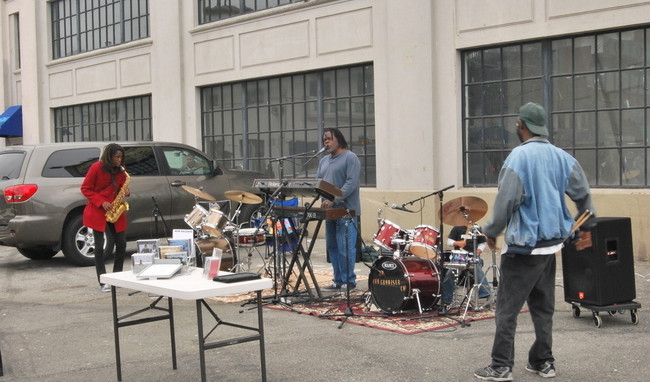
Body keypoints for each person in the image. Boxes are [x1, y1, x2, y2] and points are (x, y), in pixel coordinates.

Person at [474, 102, 595, 381]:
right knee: (543, 308)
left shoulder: (518, 158)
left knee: (507, 309)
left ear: (522, 125)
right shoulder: (563, 157)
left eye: (518, 124)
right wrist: (586, 226)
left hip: (524, 247)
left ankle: (501, 366)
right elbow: (583, 194)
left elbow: (506, 202)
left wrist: (490, 230)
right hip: (552, 245)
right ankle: (543, 361)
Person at [316, 128, 361, 292]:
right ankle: (338, 280)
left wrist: (334, 199)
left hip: (346, 211)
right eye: (324, 140)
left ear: (339, 139)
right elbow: (318, 181)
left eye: (329, 138)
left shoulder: (351, 158)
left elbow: (351, 183)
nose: (326, 142)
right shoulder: (323, 161)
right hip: (329, 211)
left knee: (345, 247)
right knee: (333, 247)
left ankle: (349, 281)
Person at [81, 143, 130, 292]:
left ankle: (117, 277)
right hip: (98, 211)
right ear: (109, 156)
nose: (119, 160)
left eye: (121, 157)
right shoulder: (97, 167)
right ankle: (102, 281)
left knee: (121, 244)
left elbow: (123, 188)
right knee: (99, 247)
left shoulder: (121, 171)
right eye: (116, 157)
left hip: (115, 210)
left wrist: (126, 191)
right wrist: (101, 202)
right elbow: (85, 188)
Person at [440, 224, 491, 311]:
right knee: (450, 273)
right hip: (458, 257)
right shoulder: (457, 227)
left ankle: (485, 294)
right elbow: (449, 241)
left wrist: (478, 251)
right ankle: (446, 300)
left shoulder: (477, 228)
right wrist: (457, 243)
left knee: (477, 269)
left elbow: (482, 243)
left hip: (473, 256)